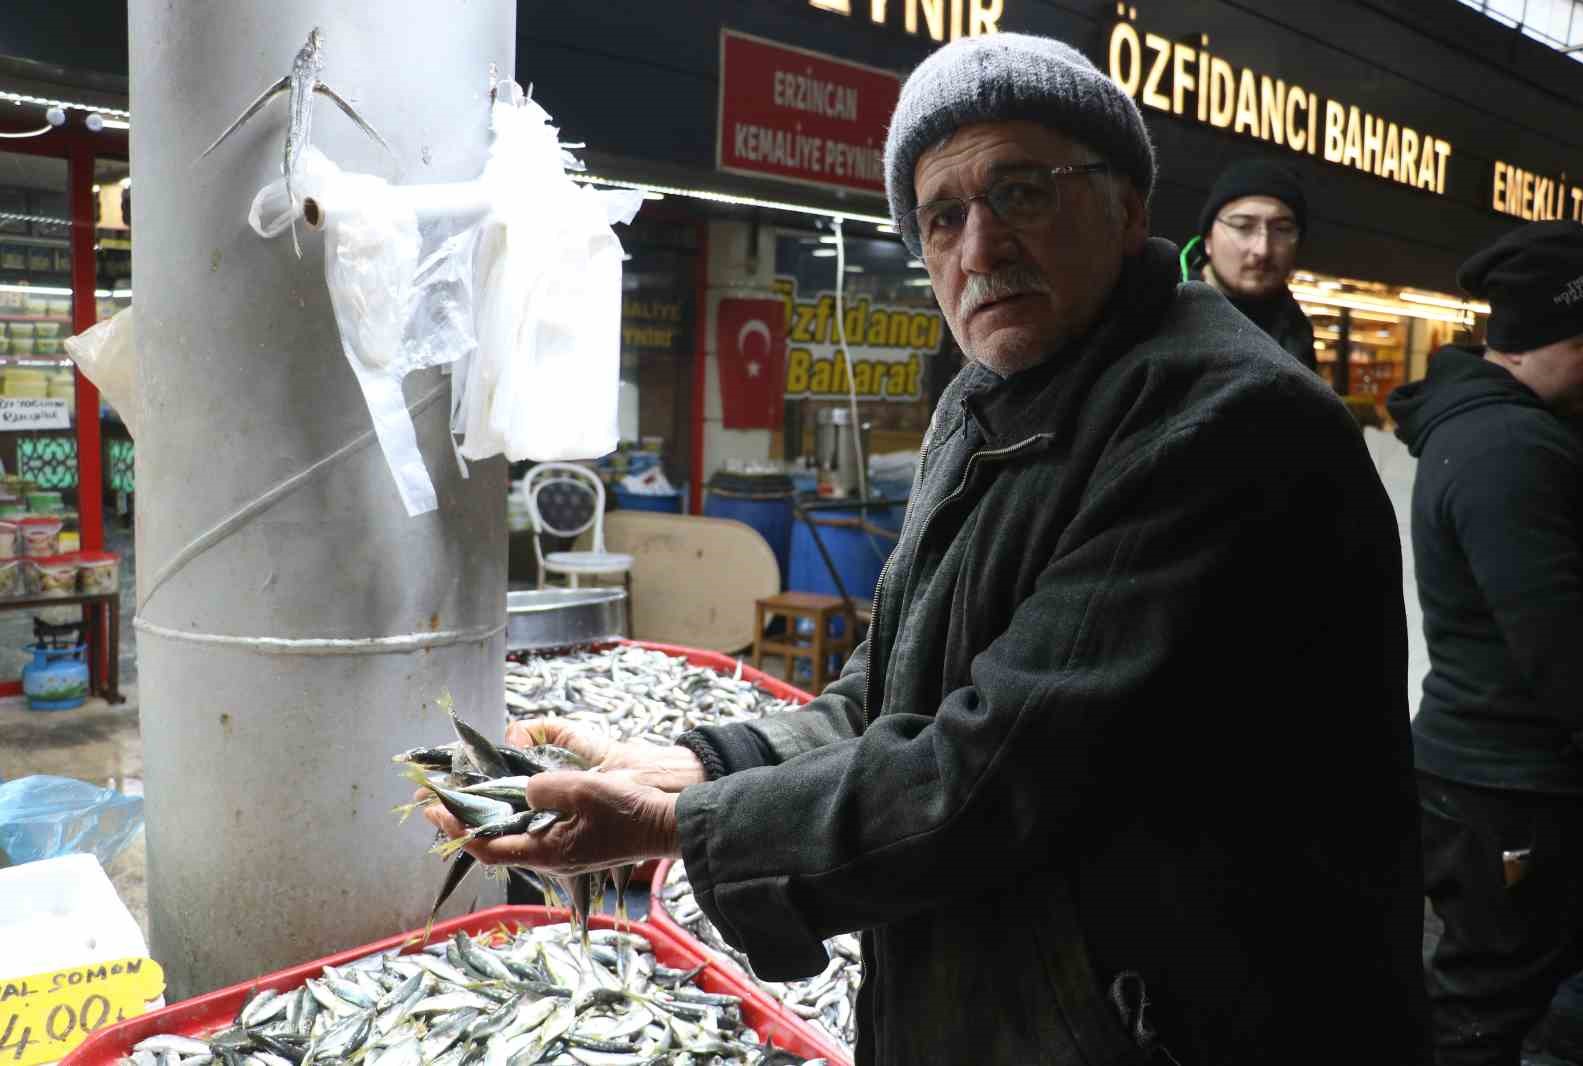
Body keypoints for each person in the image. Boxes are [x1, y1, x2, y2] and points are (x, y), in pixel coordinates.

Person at [429, 33, 1428, 1065]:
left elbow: (996, 770)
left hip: (1180, 1024)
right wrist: (699, 763)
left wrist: (684, 824)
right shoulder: (986, 398)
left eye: (1022, 194)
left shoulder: (1223, 420)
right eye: (941, 218)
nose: (979, 248)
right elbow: (893, 691)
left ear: (1129, 209)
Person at [1388, 219, 1583, 1066]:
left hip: (1505, 780)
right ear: (1569, 341)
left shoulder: (1520, 427)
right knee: (1489, 1006)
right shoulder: (1506, 448)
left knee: (1508, 987)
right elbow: (1556, 643)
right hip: (1511, 786)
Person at [1180, 158, 1317, 372]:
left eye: (1282, 230)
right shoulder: (1161, 311)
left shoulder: (1297, 330)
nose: (1262, 249)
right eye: (1243, 226)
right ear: (1208, 239)